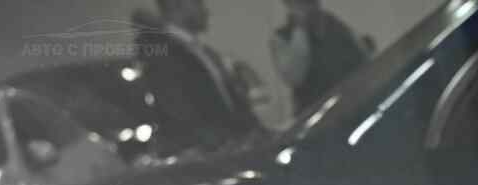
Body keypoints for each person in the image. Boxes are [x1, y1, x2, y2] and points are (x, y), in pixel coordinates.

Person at [132, 0, 265, 150]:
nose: (206, 10)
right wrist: (224, 144)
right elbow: (180, 112)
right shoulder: (161, 53)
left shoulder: (202, 51)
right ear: (176, 5)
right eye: (198, 3)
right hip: (210, 154)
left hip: (233, 147)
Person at [269, 0, 370, 118]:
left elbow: (363, 59)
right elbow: (295, 76)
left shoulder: (336, 24)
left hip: (355, 106)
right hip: (318, 116)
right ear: (289, 4)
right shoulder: (281, 37)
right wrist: (300, 29)